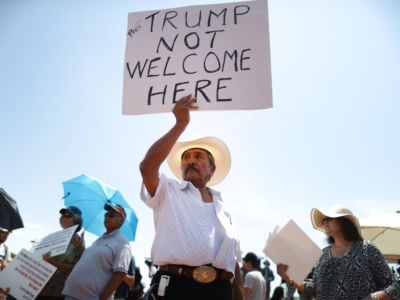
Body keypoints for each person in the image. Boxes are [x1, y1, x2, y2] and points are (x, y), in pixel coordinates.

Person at [139, 94, 244, 300]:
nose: (190, 161)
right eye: (186, 158)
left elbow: (233, 262)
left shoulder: (224, 209)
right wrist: (180, 123)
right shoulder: (168, 191)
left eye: (198, 157)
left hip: (219, 291)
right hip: (174, 288)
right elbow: (147, 166)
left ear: (211, 169)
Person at [276, 205, 400, 300]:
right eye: (324, 220)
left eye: (329, 218)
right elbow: (312, 288)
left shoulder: (367, 249)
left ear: (344, 222)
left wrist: (372, 298)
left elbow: (395, 285)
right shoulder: (323, 254)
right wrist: (288, 278)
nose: (324, 222)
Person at [62, 204, 132, 300]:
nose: (107, 217)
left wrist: (103, 298)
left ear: (121, 222)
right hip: (72, 294)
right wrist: (79, 247)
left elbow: (120, 273)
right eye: (106, 214)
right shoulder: (99, 240)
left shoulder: (122, 242)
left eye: (112, 215)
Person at [37, 206, 85, 300]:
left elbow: (74, 269)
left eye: (69, 216)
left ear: (77, 220)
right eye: (63, 216)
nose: (64, 218)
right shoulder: (53, 237)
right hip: (39, 286)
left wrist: (52, 262)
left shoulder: (78, 241)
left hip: (56, 292)